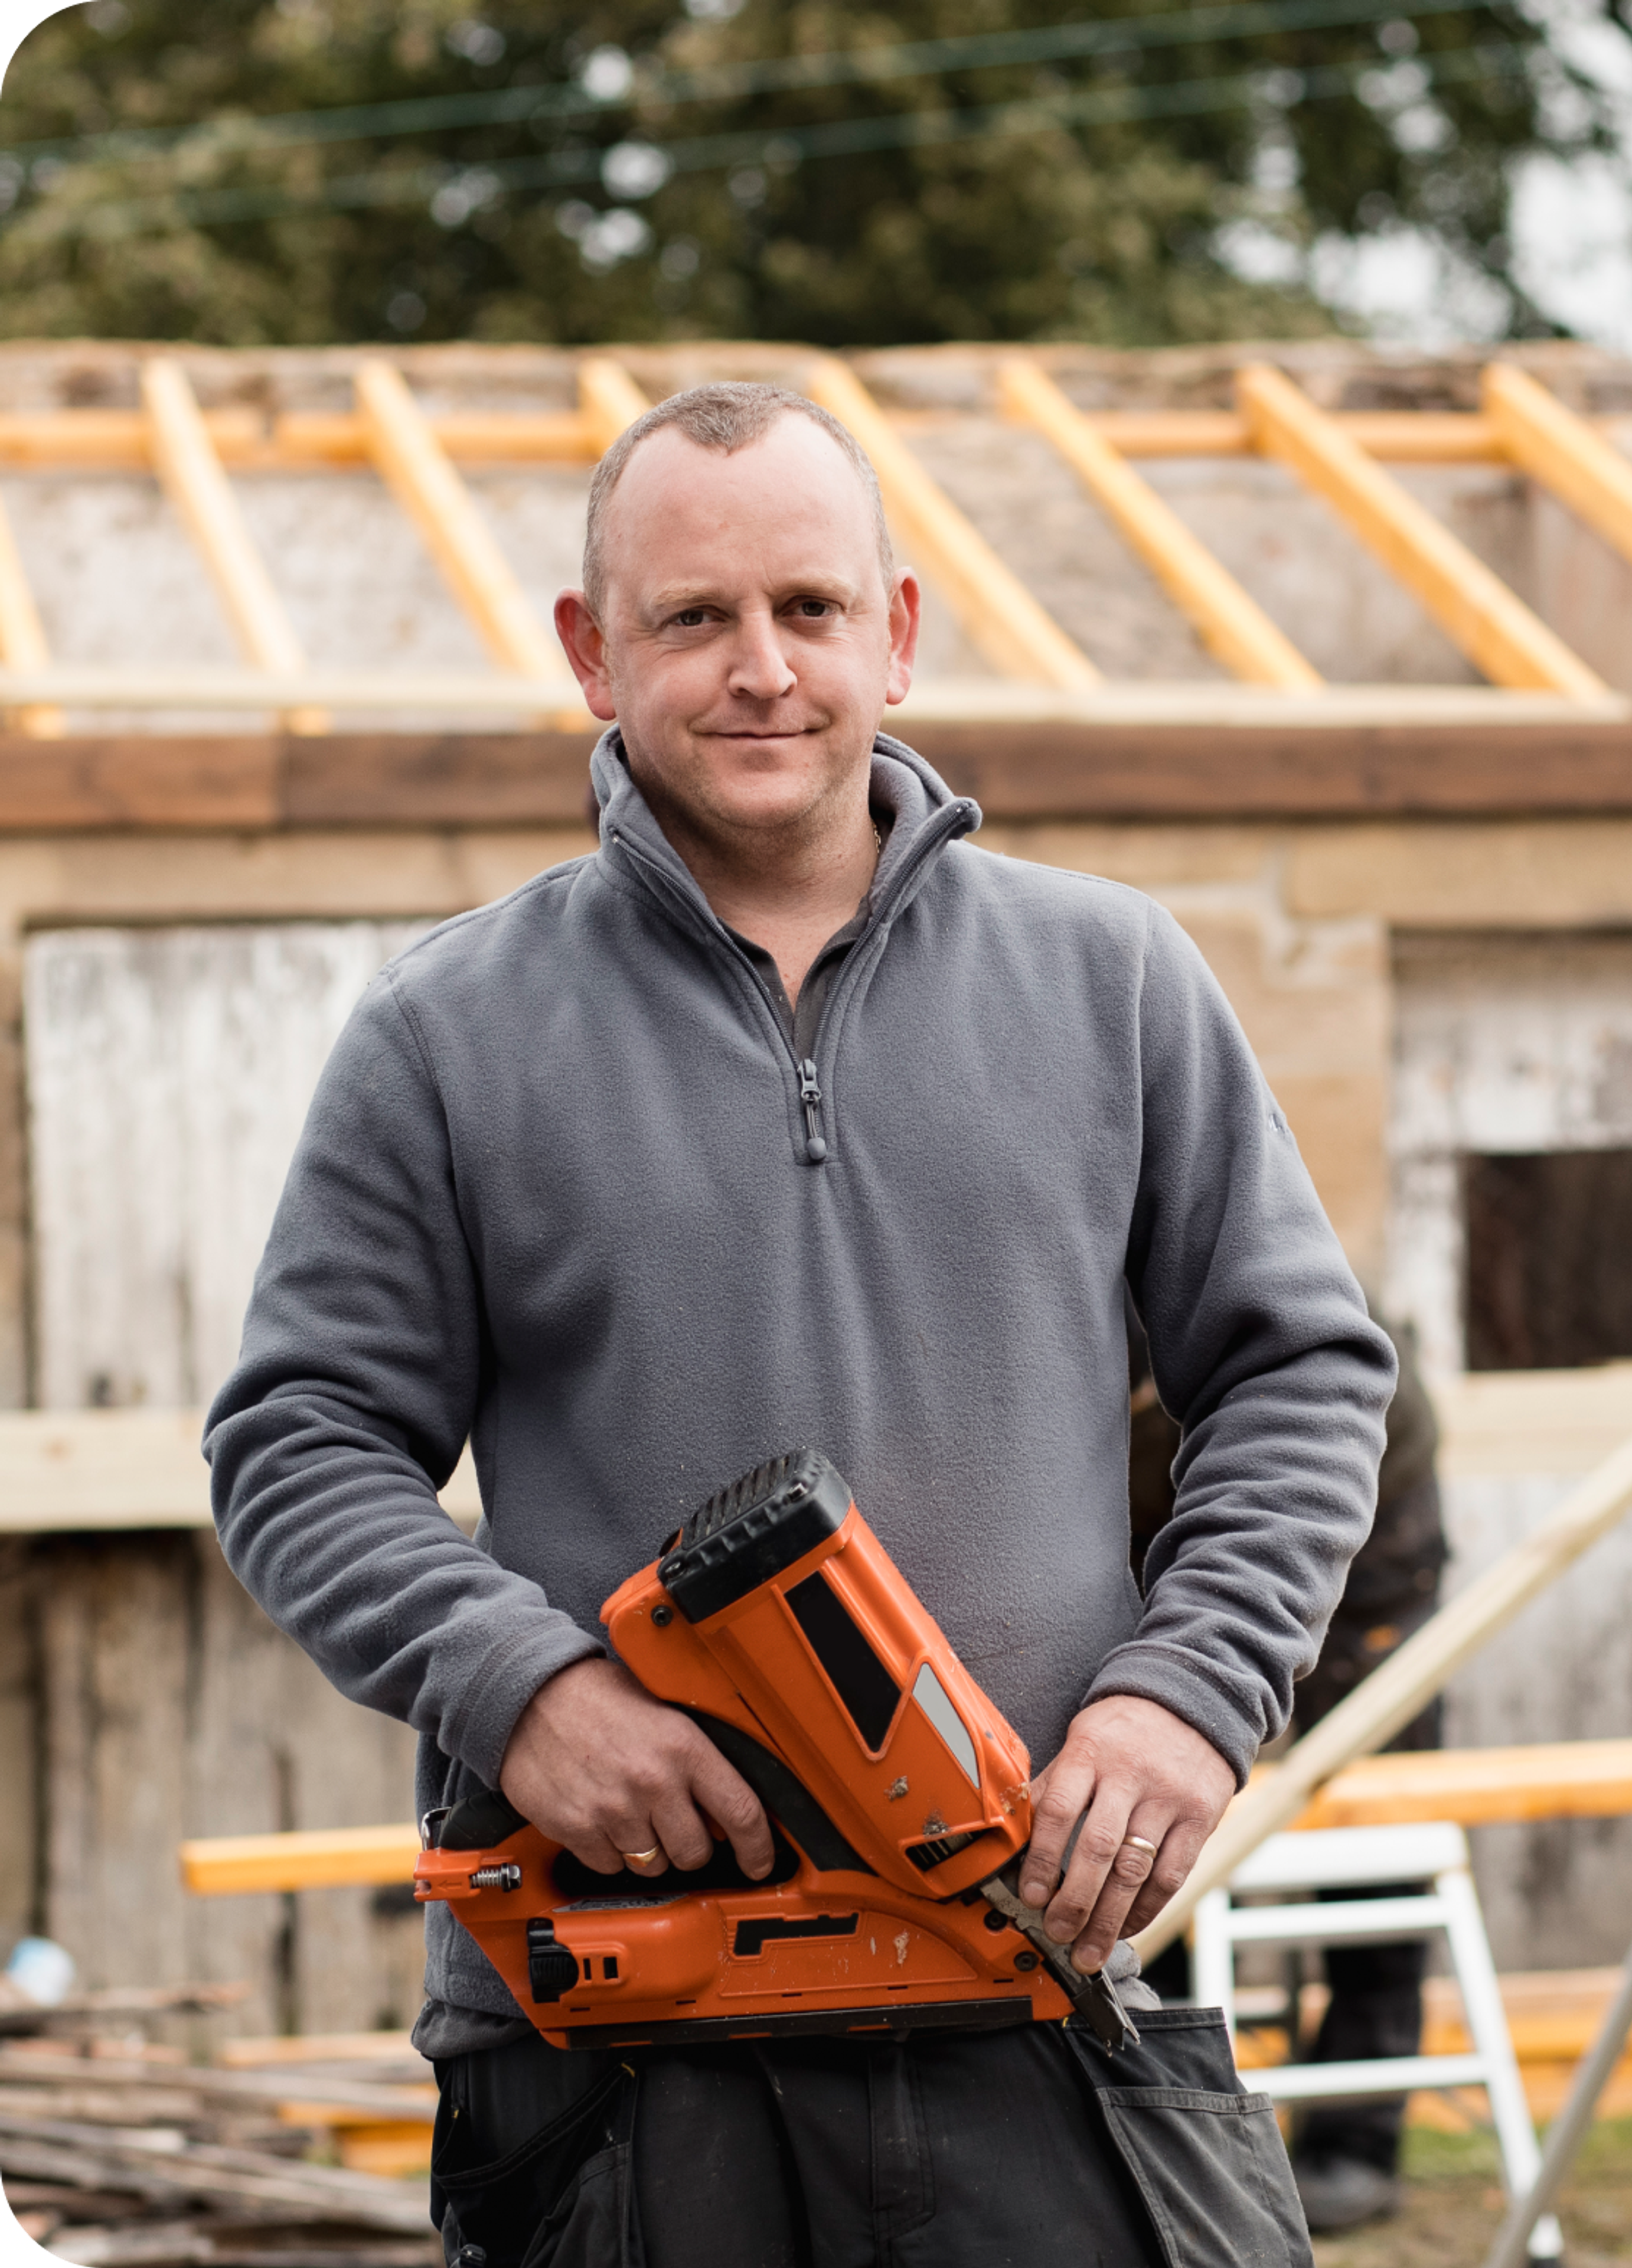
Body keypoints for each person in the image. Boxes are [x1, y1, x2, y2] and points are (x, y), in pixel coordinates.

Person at [204, 382, 1396, 2268]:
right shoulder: (448, 1033)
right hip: (621, 2040)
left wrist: (1189, 1697)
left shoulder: (1116, 983)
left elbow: (1301, 1371)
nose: (762, 669)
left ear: (896, 634)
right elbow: (295, 1445)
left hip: (1033, 1984)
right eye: (694, 619)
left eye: (812, 610)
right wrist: (524, 1693)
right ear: (595, 656)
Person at [1130, 1304, 1446, 2234]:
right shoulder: (1107, 1354)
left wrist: (1262, 1676)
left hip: (1369, 1630)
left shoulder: (1338, 1361)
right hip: (1169, 1627)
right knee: (1150, 1865)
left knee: (1375, 1885)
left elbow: (1352, 1543)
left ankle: (1356, 2145)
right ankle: (1161, 2128)